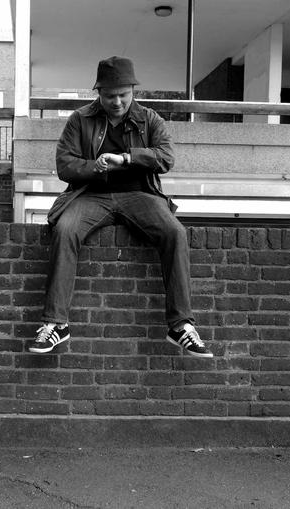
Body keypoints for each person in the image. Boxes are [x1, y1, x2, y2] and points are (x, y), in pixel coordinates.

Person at [27, 56, 212, 358]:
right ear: (98, 92)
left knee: (174, 233)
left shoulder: (150, 119)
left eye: (123, 95)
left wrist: (126, 158)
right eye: (110, 96)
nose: (117, 102)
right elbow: (64, 165)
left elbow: (165, 158)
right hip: (90, 195)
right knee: (65, 230)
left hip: (140, 195)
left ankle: (180, 326)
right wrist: (96, 167)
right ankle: (56, 324)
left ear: (133, 90)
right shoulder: (80, 119)